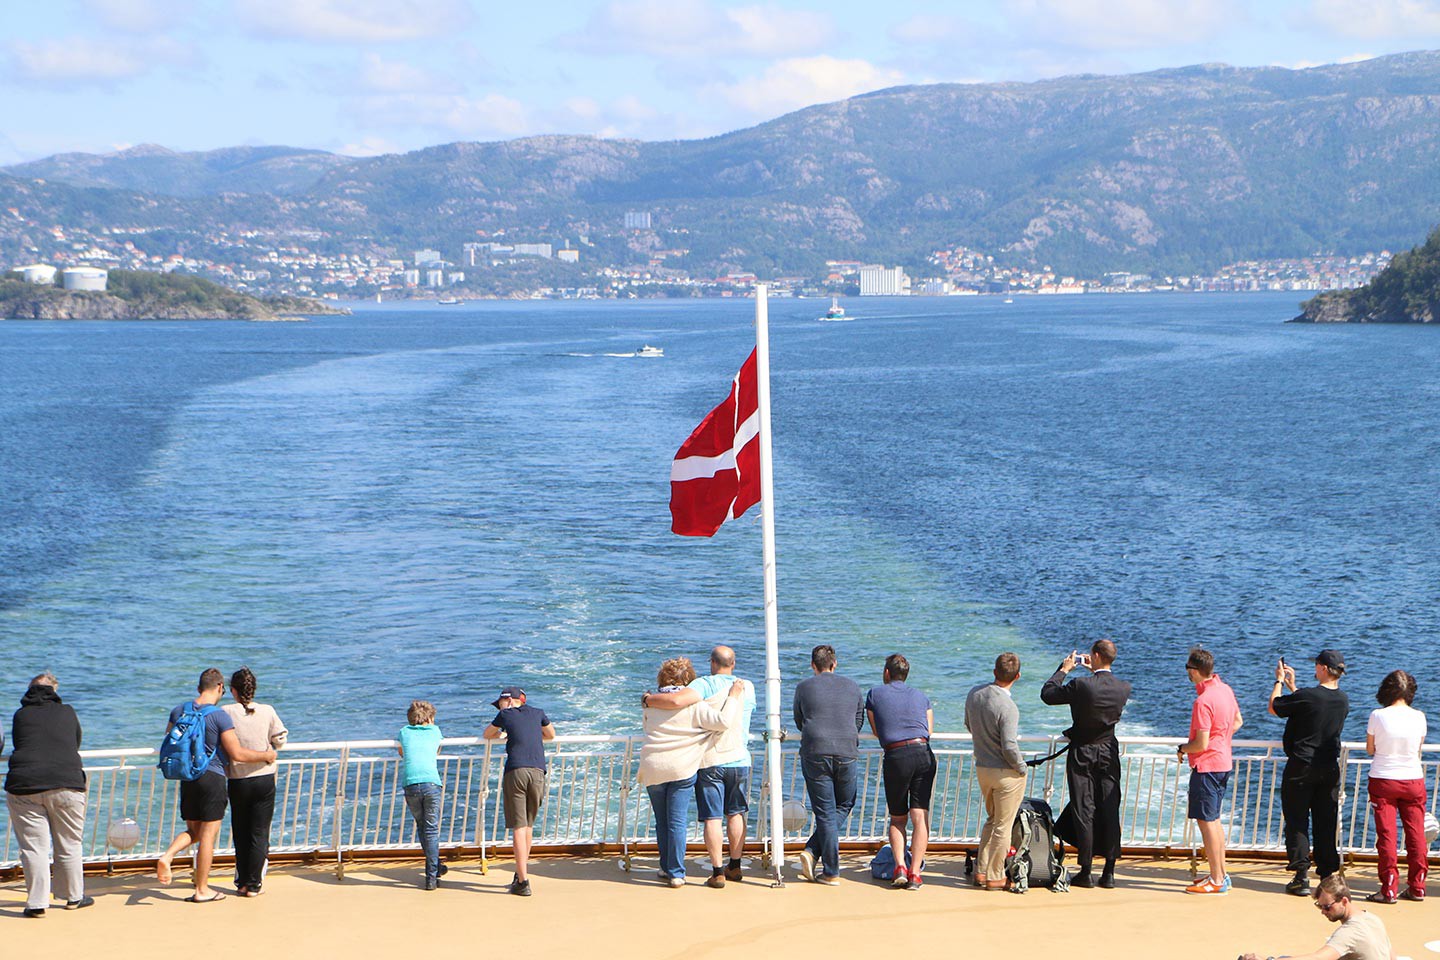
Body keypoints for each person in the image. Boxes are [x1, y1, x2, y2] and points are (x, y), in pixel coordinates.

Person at [156, 668, 277, 902]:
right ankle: (202, 890)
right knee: (208, 836)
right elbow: (237, 753)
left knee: (194, 832)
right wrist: (266, 756)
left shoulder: (179, 710)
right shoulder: (219, 716)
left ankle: (169, 855)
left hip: (187, 777)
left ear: (199, 687)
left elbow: (170, 740)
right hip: (212, 778)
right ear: (220, 687)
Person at [642, 645, 756, 886]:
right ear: (733, 664)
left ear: (712, 663)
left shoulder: (701, 686)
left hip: (710, 761)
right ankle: (735, 865)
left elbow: (676, 700)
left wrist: (648, 698)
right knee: (736, 813)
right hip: (739, 758)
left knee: (710, 818)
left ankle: (715, 871)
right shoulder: (748, 687)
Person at [1041, 639, 1131, 888]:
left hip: (1083, 752)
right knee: (1109, 807)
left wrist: (1064, 669)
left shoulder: (1082, 684)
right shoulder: (1123, 687)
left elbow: (1048, 694)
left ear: (1095, 656)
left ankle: (1086, 870)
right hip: (1108, 751)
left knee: (1084, 808)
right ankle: (1109, 872)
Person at [5, 673, 92, 917]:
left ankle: (36, 904)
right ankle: (74, 897)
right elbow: (76, 742)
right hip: (67, 783)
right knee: (69, 844)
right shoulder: (68, 712)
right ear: (54, 691)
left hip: (25, 785)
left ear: (29, 691)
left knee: (34, 848)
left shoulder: (21, 715)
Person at [1269, 650, 1349, 895]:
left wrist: (1279, 681)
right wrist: (1296, 688)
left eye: (1316, 666)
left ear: (1323, 668)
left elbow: (1275, 707)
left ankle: (1300, 876)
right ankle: (1327, 875)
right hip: (1329, 768)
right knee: (1325, 822)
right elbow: (1314, 709)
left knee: (1297, 821)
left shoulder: (1309, 696)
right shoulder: (1343, 700)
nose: (1315, 670)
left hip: (1301, 767)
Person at [793, 644, 865, 885]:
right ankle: (820, 859)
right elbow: (858, 719)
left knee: (824, 811)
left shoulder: (803, 687)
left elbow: (799, 720)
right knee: (845, 803)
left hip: (815, 749)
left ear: (813, 665)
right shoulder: (853, 686)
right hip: (846, 749)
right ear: (834, 664)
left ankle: (820, 858)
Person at [1178, 647, 1243, 895]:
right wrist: (1222, 739)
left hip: (1206, 767)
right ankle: (1221, 875)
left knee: (1207, 823)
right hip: (1223, 762)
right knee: (1214, 821)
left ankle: (1216, 880)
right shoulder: (1225, 690)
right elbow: (1238, 721)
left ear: (1194, 671)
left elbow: (1200, 744)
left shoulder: (1202, 701)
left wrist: (1183, 748)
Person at [866, 653, 934, 889]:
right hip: (923, 753)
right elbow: (929, 729)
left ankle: (900, 868)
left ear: (887, 673)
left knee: (897, 819)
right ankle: (916, 873)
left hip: (896, 755)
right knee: (919, 816)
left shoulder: (875, 694)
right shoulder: (921, 696)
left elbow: (876, 730)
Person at [483, 685, 556, 896]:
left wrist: (505, 734)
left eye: (500, 703)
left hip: (516, 770)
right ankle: (519, 872)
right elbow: (550, 734)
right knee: (529, 826)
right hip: (537, 771)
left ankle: (523, 881)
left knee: (518, 826)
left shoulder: (505, 714)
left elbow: (487, 734)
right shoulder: (537, 713)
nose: (499, 707)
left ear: (509, 700)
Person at [222, 667, 288, 898]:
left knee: (240, 831)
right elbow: (280, 739)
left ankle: (241, 881)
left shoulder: (225, 711)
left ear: (233, 691)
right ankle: (254, 883)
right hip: (264, 777)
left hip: (238, 779)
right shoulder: (267, 711)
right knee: (259, 832)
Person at [964, 652, 1027, 892]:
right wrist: (1021, 768)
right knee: (1003, 825)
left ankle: (981, 871)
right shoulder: (1008, 707)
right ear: (1017, 676)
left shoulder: (975, 694)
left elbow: (969, 724)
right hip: (1005, 773)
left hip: (983, 768)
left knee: (991, 820)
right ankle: (995, 875)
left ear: (994, 672)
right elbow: (1009, 745)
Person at [1365, 669, 1428, 903]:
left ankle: (1389, 887)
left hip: (1383, 779)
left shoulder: (1377, 715)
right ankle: (1418, 886)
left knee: (1387, 835)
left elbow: (1371, 749)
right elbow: (1418, 749)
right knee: (1416, 834)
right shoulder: (1419, 716)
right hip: (1413, 779)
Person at [1239, 874, 1397, 960]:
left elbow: (1318, 958)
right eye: (1319, 906)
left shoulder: (1349, 932)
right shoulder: (1373, 919)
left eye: (1327, 907)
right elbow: (1391, 956)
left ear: (1344, 901)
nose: (1323, 911)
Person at [397, 699, 445, 890]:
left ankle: (434, 868)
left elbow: (402, 752)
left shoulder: (404, 732)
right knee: (431, 829)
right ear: (430, 718)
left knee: (421, 826)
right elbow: (437, 749)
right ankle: (432, 876)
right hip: (431, 783)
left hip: (410, 784)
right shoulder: (435, 731)